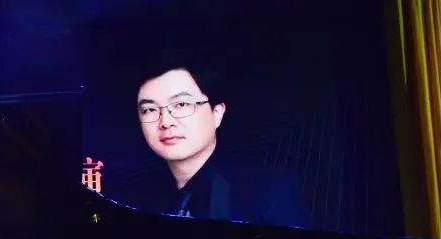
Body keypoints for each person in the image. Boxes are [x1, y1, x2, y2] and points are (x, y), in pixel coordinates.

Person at [125, 53, 310, 228]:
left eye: (181, 104)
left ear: (217, 113)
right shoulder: (132, 195)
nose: (165, 122)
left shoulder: (268, 191)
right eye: (149, 110)